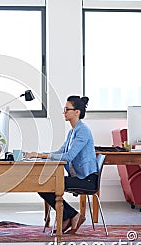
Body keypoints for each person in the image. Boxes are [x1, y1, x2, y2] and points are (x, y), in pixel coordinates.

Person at [26, 95, 98, 234]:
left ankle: (71, 216)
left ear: (77, 112)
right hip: (80, 177)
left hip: (87, 179)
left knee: (45, 185)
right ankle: (69, 216)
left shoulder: (82, 131)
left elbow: (69, 156)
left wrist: (41, 156)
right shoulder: (72, 132)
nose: (64, 112)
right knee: (42, 184)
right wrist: (38, 155)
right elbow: (60, 152)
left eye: (67, 109)